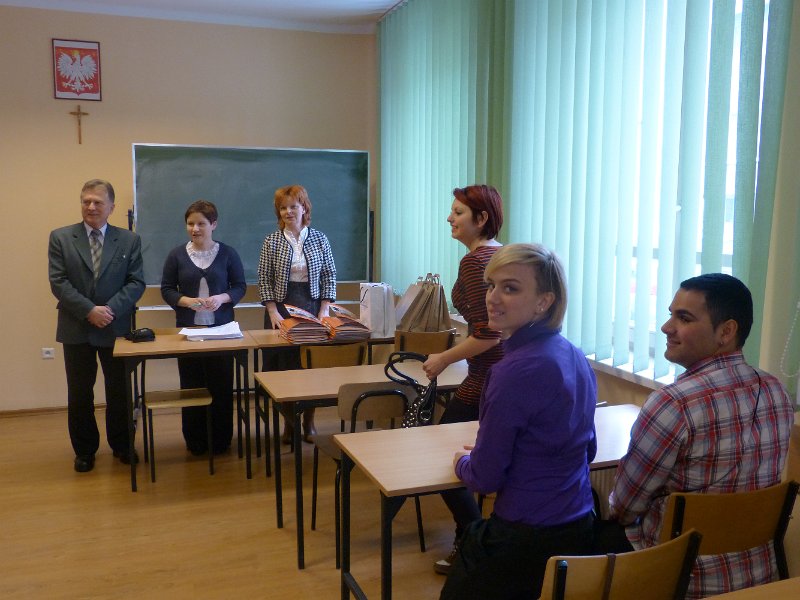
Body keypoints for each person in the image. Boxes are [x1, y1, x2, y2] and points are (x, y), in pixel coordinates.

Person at [605, 273, 795, 599]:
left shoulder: (673, 404)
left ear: (726, 332)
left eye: (684, 318)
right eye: (670, 314)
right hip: (760, 576)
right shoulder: (777, 391)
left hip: (679, 578)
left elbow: (624, 507)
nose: (666, 327)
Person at [440, 243, 598, 600]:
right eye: (491, 285)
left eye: (510, 288)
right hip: (579, 527)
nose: (492, 298)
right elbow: (587, 449)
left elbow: (485, 478)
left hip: (526, 537)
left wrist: (464, 461)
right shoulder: (574, 355)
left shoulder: (514, 371)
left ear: (544, 302)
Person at [422, 184, 505, 574]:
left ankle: (473, 541)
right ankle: (478, 539)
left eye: (458, 213)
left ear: (481, 218)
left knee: (442, 458)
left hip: (485, 378)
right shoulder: (503, 254)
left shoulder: (476, 262)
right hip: (499, 375)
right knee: (476, 456)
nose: (449, 218)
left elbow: (489, 334)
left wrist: (443, 358)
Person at [48, 179, 146, 473]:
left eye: (98, 202)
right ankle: (85, 451)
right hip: (76, 326)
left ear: (111, 207)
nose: (91, 207)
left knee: (119, 391)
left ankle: (122, 445)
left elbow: (136, 282)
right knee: (80, 393)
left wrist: (109, 310)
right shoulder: (61, 237)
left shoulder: (129, 240)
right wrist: (89, 310)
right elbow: (58, 282)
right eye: (86, 201)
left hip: (115, 328)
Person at [160, 200, 246, 455]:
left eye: (201, 224)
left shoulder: (228, 254)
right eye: (190, 224)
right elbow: (167, 289)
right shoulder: (176, 255)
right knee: (192, 386)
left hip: (222, 332)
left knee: (221, 386)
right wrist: (185, 301)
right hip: (189, 333)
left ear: (214, 225)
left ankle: (221, 441)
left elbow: (239, 286)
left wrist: (222, 298)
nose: (195, 229)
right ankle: (195, 441)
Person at [257, 184, 336, 443]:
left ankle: (309, 421)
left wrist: (324, 309)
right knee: (283, 369)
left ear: (304, 208)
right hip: (280, 309)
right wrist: (272, 311)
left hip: (312, 308)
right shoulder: (271, 241)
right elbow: (264, 278)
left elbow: (329, 275)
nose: (288, 212)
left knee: (308, 367)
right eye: (283, 207)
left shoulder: (320, 238)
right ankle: (289, 423)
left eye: (293, 206)